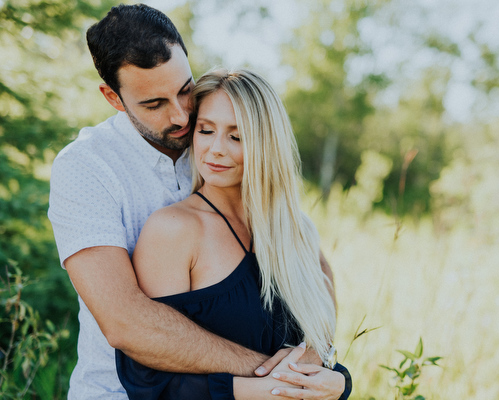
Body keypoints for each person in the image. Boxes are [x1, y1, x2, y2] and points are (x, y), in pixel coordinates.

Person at [48, 4, 342, 398]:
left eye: (185, 90)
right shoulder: (86, 168)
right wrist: (274, 377)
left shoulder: (212, 138)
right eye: (154, 104)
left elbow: (311, 267)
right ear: (113, 98)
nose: (182, 116)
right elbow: (126, 322)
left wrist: (316, 358)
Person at [115, 68, 352, 399]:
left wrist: (340, 382)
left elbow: (322, 351)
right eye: (206, 130)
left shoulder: (298, 232)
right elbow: (151, 383)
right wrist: (267, 388)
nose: (215, 150)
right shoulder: (173, 230)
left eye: (236, 137)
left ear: (267, 144)